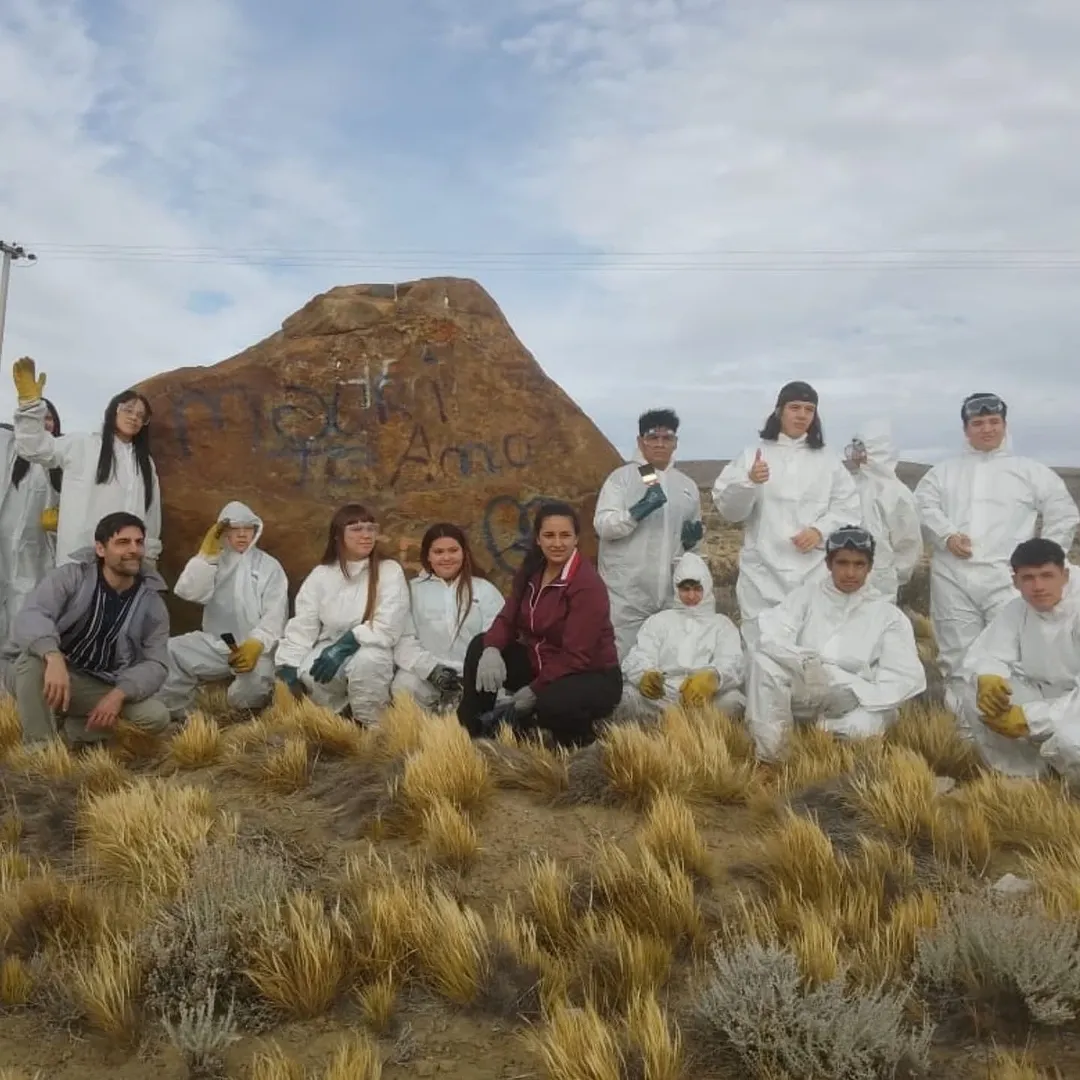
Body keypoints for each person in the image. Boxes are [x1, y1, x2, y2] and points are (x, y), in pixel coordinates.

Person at [914, 392, 1079, 709]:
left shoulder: (1030, 472)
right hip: (953, 578)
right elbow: (922, 506)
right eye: (978, 423)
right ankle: (965, 731)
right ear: (966, 429)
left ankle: (1020, 723)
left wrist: (1044, 561)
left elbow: (1063, 512)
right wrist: (947, 535)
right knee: (956, 655)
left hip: (1009, 579)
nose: (987, 429)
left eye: (994, 422)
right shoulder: (943, 473)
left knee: (1013, 653)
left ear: (1005, 425)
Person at [744, 525, 926, 761]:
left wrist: (858, 693)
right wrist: (805, 662)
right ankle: (771, 759)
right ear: (829, 564)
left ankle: (827, 746)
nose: (850, 572)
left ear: (869, 567)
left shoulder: (887, 615)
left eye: (858, 564)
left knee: (858, 730)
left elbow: (901, 676)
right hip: (806, 685)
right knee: (762, 662)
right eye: (842, 563)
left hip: (856, 700)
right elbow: (771, 635)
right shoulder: (805, 597)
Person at [458, 501, 622, 748]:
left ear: (576, 538)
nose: (557, 543)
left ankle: (579, 745)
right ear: (538, 539)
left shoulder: (586, 584)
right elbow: (508, 617)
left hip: (590, 675)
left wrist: (534, 690)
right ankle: (477, 734)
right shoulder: (532, 571)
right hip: (542, 665)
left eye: (565, 535)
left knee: (552, 704)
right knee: (479, 647)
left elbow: (577, 656)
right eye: (549, 535)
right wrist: (492, 649)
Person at [2, 512, 171, 747]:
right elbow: (32, 615)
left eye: (139, 542)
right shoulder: (71, 577)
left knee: (155, 717)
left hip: (94, 684)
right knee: (32, 661)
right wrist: (53, 656)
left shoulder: (152, 602)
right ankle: (40, 749)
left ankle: (70, 732)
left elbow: (157, 663)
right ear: (101, 549)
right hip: (44, 673)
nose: (134, 549)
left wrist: (118, 694)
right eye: (123, 542)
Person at [712, 381, 861, 648]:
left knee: (811, 653)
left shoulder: (828, 461)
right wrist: (749, 481)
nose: (802, 415)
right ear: (780, 411)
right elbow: (729, 510)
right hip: (762, 580)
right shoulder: (753, 455)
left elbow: (848, 508)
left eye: (809, 409)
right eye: (795, 407)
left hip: (813, 576)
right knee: (763, 657)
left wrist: (819, 531)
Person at [11, 358, 162, 570]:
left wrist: (148, 559)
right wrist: (30, 407)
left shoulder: (144, 463)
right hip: (80, 561)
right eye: (128, 410)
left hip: (125, 565)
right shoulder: (82, 444)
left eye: (141, 415)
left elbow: (151, 513)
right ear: (113, 411)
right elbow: (34, 448)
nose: (134, 417)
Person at [273, 504, 409, 724]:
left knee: (368, 663)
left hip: (371, 645)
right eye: (356, 529)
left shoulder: (389, 570)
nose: (366, 535)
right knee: (310, 672)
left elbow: (388, 622)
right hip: (329, 645)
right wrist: (288, 664)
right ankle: (338, 724)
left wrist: (347, 644)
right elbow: (304, 623)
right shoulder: (322, 575)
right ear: (338, 536)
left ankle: (372, 728)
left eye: (370, 528)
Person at [958, 538, 1080, 780]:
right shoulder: (1018, 609)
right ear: (1015, 581)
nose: (1038, 586)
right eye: (1028, 578)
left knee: (1071, 741)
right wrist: (990, 676)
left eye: (1047, 575)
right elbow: (988, 653)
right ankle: (1024, 777)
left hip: (1074, 707)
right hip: (1047, 696)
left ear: (1064, 576)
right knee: (975, 692)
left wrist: (1030, 719)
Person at [159, 502, 289, 720]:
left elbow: (275, 615)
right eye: (234, 529)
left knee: (252, 690)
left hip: (255, 650)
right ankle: (177, 715)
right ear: (222, 532)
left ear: (255, 530)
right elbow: (188, 592)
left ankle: (238, 716)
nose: (241, 535)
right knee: (172, 651)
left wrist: (257, 643)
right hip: (215, 643)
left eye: (247, 529)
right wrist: (205, 557)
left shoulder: (269, 566)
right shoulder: (214, 561)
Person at [594, 408, 704, 658]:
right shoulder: (622, 479)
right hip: (626, 595)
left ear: (675, 442)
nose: (660, 444)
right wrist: (635, 512)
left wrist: (691, 543)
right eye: (653, 437)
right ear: (640, 441)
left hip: (669, 594)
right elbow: (603, 526)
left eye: (667, 438)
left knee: (666, 660)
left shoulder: (686, 486)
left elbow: (694, 544)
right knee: (623, 659)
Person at [391, 523, 504, 711]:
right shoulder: (412, 590)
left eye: (453, 550)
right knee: (404, 686)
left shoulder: (485, 590)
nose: (446, 557)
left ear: (464, 553)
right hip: (427, 675)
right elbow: (405, 639)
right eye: (438, 552)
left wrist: (470, 671)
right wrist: (433, 671)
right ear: (428, 556)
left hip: (474, 675)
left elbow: (496, 634)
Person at [621, 551, 746, 718]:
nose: (691, 596)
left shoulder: (721, 625)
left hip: (706, 699)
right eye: (685, 589)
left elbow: (733, 661)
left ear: (707, 588)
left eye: (697, 589)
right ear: (676, 588)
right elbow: (640, 654)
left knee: (732, 701)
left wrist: (714, 676)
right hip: (662, 697)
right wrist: (645, 674)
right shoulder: (659, 621)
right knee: (629, 697)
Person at [0, 399, 63, 647]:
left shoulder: (61, 458)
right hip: (4, 539)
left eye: (49, 418)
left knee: (25, 601)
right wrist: (28, 409)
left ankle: (16, 665)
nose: (44, 424)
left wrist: (61, 518)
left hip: (37, 547)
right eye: (40, 418)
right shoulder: (9, 451)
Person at [843, 418, 923, 602]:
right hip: (843, 577)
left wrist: (889, 574)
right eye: (854, 447)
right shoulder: (850, 485)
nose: (855, 454)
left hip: (880, 584)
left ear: (876, 450)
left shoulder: (896, 493)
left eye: (861, 448)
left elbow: (908, 543)